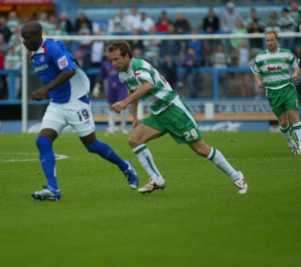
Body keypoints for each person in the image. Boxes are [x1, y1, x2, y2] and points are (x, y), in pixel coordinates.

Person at [107, 41, 247, 194]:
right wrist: (134, 117)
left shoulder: (139, 65)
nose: (113, 63)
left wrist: (124, 103)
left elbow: (148, 86)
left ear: (127, 56)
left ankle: (237, 176)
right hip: (158, 114)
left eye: (116, 59)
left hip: (174, 110)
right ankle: (156, 179)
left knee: (201, 149)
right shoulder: (122, 74)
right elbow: (132, 92)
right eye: (111, 60)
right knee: (134, 140)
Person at [20, 21, 139, 201]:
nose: (24, 42)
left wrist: (44, 90)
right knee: (42, 142)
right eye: (23, 38)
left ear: (38, 36)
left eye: (27, 38)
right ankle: (53, 189)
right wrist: (49, 92)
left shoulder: (52, 48)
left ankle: (125, 167)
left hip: (76, 102)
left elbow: (68, 71)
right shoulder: (33, 54)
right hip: (57, 104)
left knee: (91, 145)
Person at [251, 31, 301, 155]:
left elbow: (296, 66)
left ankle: (300, 143)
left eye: (272, 40)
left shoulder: (287, 53)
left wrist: (295, 73)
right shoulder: (260, 57)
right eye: (267, 40)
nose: (270, 42)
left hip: (287, 89)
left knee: (293, 114)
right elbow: (256, 72)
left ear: (276, 40)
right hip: (272, 92)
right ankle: (290, 143)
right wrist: (258, 81)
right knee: (283, 122)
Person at [93, 56, 129, 135]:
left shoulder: (120, 61)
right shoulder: (105, 64)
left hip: (121, 86)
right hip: (111, 87)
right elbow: (101, 76)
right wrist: (97, 87)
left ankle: (123, 127)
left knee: (123, 105)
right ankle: (111, 128)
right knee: (111, 106)